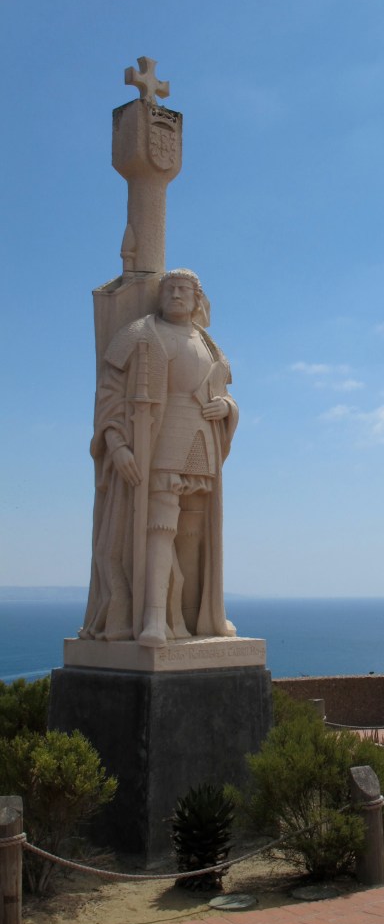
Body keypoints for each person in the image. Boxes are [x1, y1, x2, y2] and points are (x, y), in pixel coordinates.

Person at [81, 269, 238, 646]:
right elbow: (109, 395)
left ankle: (195, 617)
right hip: (160, 438)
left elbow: (224, 392)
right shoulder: (139, 334)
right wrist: (117, 444)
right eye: (170, 289)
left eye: (185, 289)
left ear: (198, 298)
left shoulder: (209, 344)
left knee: (195, 532)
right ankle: (152, 618)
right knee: (160, 526)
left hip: (203, 441)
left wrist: (227, 408)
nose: (177, 294)